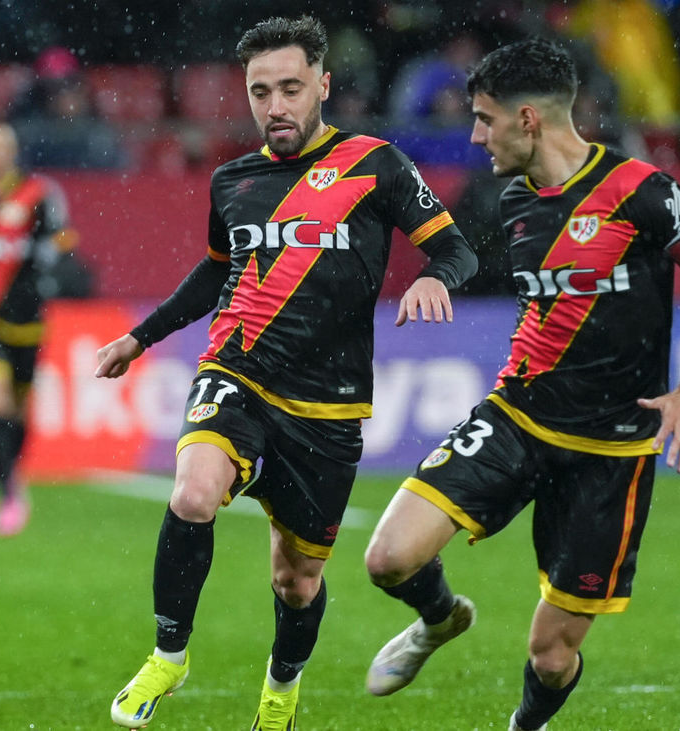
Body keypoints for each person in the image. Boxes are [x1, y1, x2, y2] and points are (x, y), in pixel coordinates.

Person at [362, 38, 680, 731]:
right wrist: (434, 273)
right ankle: (439, 617)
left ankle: (527, 725)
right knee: (388, 558)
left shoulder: (642, 192)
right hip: (518, 418)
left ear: (527, 120)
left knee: (551, 655)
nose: (474, 135)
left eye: (484, 119)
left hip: (609, 453)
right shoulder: (511, 202)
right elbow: (468, 262)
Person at [94, 16, 477, 730]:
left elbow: (457, 249)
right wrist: (142, 336)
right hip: (236, 368)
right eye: (260, 91)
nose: (275, 105)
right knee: (193, 491)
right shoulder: (232, 181)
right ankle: (169, 654)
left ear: (323, 86)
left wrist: (437, 278)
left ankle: (279, 693)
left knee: (295, 580)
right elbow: (216, 272)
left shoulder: (376, 163)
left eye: (291, 88)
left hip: (327, 406)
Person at [0, 121, 79, 536]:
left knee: (21, 410)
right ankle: (8, 495)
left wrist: (49, 264)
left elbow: (61, 243)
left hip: (29, 316)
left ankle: (12, 473)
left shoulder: (39, 195)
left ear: (12, 151)